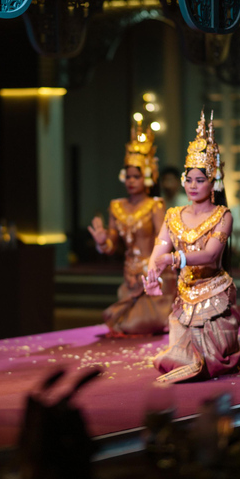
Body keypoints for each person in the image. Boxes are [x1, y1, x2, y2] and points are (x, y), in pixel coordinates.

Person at [143, 111, 240, 383]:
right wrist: (152, 275)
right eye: (188, 180)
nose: (193, 186)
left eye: (200, 180)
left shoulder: (223, 216)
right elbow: (158, 251)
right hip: (184, 297)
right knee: (177, 360)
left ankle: (228, 342)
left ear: (214, 182)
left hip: (213, 294)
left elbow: (210, 256)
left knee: (209, 361)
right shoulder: (173, 215)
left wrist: (174, 259)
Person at [88, 120, 173, 336]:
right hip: (129, 276)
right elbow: (112, 244)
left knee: (131, 325)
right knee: (119, 322)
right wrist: (101, 242)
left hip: (152, 275)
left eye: (136, 176)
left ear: (147, 177)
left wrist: (151, 268)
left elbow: (162, 241)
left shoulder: (155, 206)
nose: (131, 181)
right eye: (128, 176)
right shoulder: (117, 207)